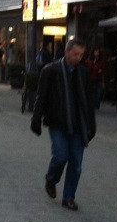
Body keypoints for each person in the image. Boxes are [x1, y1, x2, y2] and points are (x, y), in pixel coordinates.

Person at [30, 38, 97, 211]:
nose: (79, 58)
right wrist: (36, 118)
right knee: (60, 156)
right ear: (67, 51)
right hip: (57, 121)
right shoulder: (50, 70)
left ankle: (69, 197)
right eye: (75, 54)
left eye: (81, 55)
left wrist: (92, 123)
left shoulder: (83, 72)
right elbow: (41, 96)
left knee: (76, 162)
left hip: (78, 123)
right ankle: (51, 179)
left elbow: (89, 100)